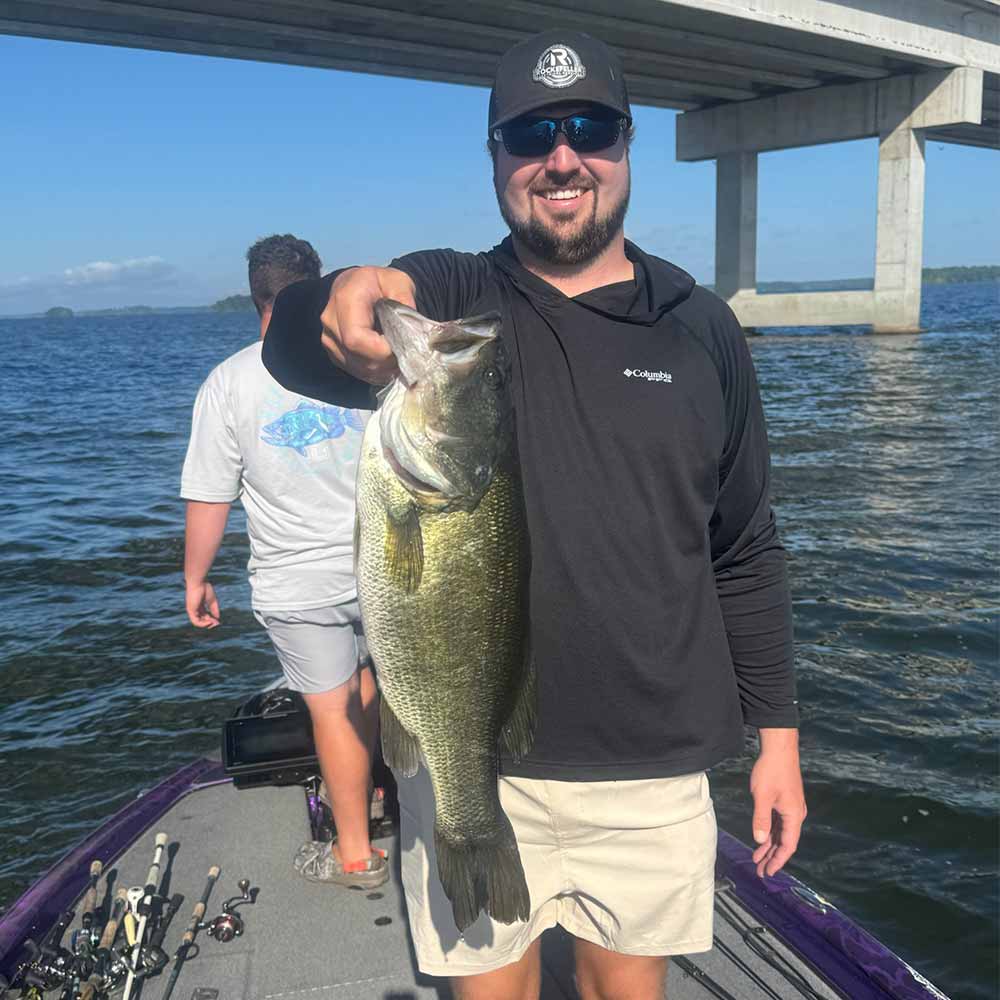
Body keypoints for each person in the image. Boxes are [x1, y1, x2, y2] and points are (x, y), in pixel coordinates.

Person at [262, 31, 807, 1000]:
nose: (562, 157)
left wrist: (779, 741)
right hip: (472, 753)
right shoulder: (464, 297)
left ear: (626, 143)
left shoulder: (700, 326)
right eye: (531, 135)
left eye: (588, 129)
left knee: (625, 988)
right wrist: (345, 293)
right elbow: (304, 348)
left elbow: (745, 546)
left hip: (652, 755)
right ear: (498, 159)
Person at [181, 234, 387, 889]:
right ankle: (377, 794)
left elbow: (211, 493)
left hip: (297, 584)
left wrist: (195, 577)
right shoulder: (370, 363)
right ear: (320, 287)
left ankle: (354, 854)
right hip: (388, 571)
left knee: (332, 709)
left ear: (254, 296)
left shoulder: (230, 381)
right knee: (369, 690)